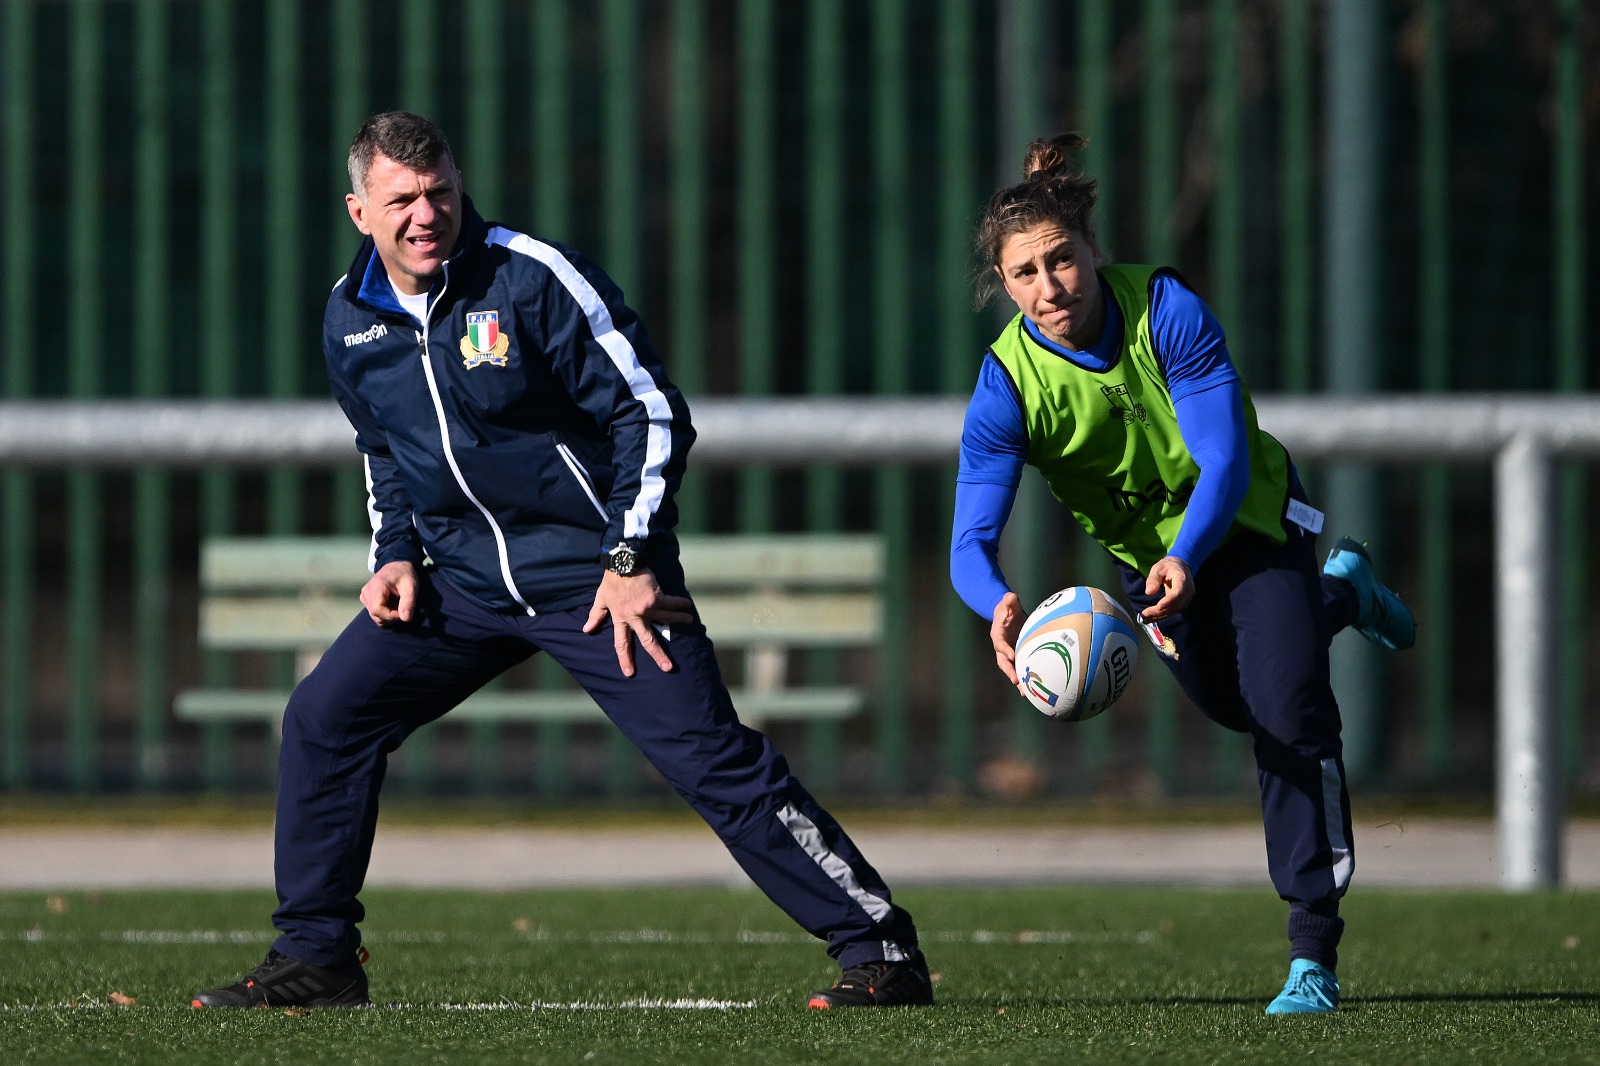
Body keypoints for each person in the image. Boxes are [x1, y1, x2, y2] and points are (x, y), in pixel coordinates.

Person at [191, 111, 931, 1011]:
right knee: (323, 717)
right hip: (460, 585)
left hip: (596, 580)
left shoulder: (532, 276)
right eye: (402, 201)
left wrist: (628, 556)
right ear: (359, 211)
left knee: (712, 763)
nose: (426, 215)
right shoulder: (350, 317)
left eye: (441, 193)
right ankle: (317, 958)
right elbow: (383, 448)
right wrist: (394, 556)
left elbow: (652, 413)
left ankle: (882, 951)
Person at [949, 133, 1415, 1015]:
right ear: (1002, 287)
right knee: (1235, 704)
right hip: (1153, 570)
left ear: (1094, 250)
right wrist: (997, 605)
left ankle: (1311, 947)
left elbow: (1225, 461)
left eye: (1062, 262)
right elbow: (968, 541)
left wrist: (1186, 556)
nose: (1049, 289)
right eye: (1024, 275)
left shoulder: (1167, 310)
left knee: (1287, 712)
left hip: (1244, 525)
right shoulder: (1007, 384)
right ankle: (1344, 596)